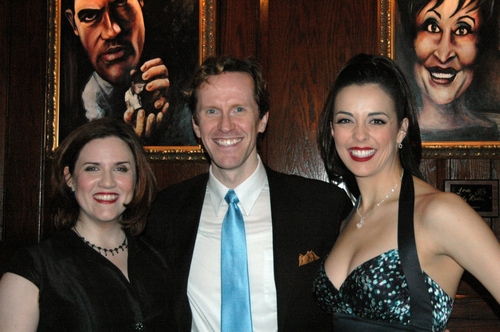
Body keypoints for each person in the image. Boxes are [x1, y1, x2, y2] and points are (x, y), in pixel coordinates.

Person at [144, 55, 353, 331]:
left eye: (239, 109)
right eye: (211, 111)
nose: (225, 126)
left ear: (262, 119)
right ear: (196, 125)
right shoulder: (165, 211)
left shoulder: (322, 207)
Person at [313, 53, 500, 331]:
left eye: (376, 121)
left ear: (401, 130)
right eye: (345, 120)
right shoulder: (347, 220)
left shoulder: (439, 212)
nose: (359, 135)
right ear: (332, 130)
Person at [0, 118, 174, 331]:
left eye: (120, 169)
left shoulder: (159, 259)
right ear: (70, 178)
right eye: (92, 168)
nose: (107, 182)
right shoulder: (33, 268)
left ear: (137, 179)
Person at [62, 0, 198, 145]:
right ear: (73, 23)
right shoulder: (76, 108)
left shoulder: (186, 76)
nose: (112, 31)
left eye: (121, 4)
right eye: (90, 16)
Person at [397, 0, 499, 141]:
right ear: (412, 38)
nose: (444, 55)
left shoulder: (493, 130)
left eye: (462, 30)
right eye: (432, 27)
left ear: (481, 43)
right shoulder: (394, 129)